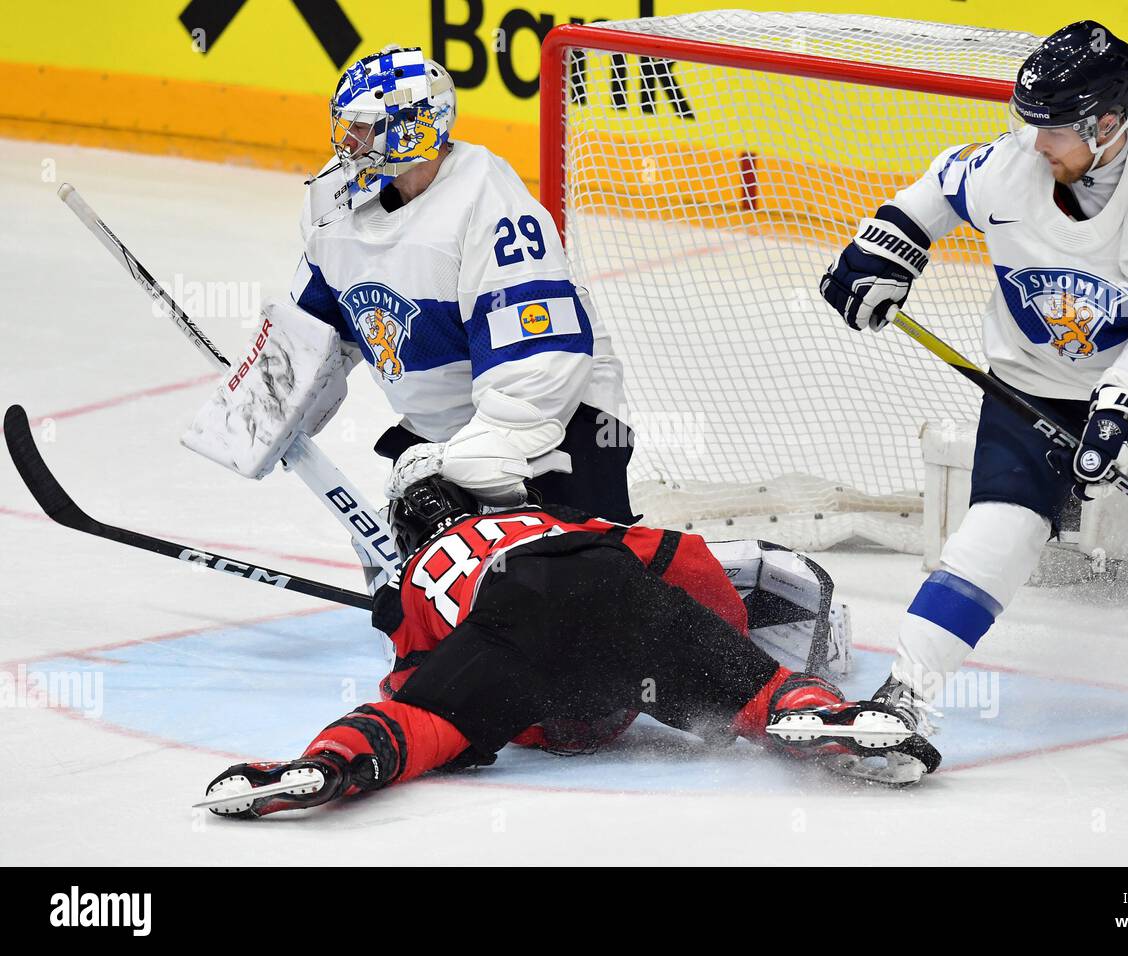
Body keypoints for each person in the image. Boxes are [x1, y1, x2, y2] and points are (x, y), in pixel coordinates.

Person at [819, 21, 1128, 744]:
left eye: (1053, 130)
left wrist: (1124, 401)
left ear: (1108, 125)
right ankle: (903, 697)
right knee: (999, 533)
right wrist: (887, 244)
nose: (1034, 142)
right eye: (1030, 124)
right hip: (1032, 384)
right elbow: (938, 190)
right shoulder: (1011, 166)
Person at [199, 478, 940, 817]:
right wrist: (719, 644)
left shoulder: (413, 583)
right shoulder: (545, 517)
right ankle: (816, 717)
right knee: (752, 695)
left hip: (517, 632)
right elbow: (671, 555)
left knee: (421, 723)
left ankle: (330, 764)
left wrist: (491, 718)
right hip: (610, 588)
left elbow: (412, 681)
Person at [289, 44, 634, 526]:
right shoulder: (334, 202)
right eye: (345, 126)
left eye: (363, 127)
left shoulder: (490, 204)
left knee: (566, 584)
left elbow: (538, 366)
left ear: (412, 129)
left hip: (559, 424)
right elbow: (314, 332)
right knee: (412, 597)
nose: (347, 143)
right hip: (443, 436)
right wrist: (276, 399)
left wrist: (468, 457)